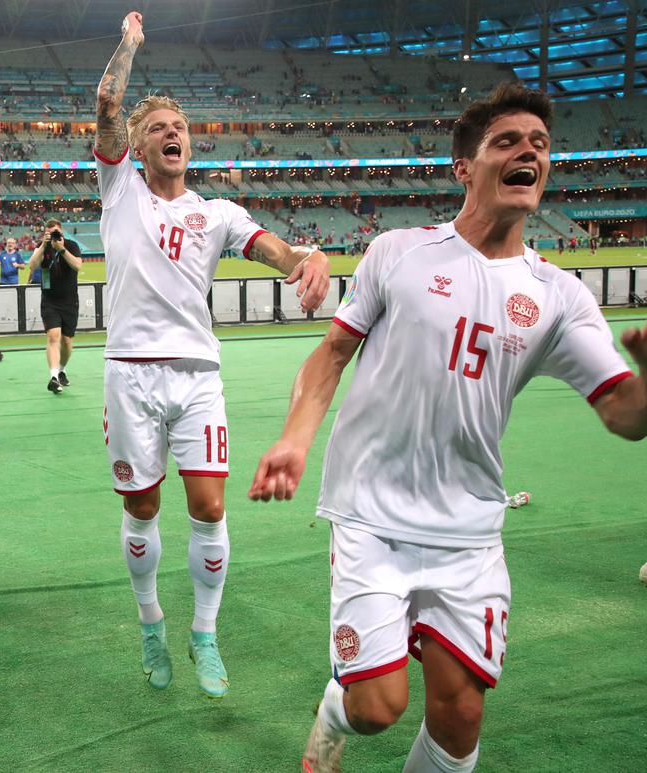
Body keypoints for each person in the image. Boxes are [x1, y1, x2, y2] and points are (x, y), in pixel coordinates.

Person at [248, 82, 647, 772]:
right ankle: (333, 714)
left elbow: (624, 413)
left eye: (541, 145)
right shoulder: (399, 251)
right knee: (376, 707)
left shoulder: (559, 295)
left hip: (469, 532)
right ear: (465, 166)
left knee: (460, 717)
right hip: (373, 514)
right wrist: (294, 437)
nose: (530, 152)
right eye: (508, 142)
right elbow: (330, 354)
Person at [95, 12, 331, 698]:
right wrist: (131, 44)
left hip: (197, 375)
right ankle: (149, 622)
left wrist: (304, 258)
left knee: (208, 506)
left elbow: (273, 249)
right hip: (129, 372)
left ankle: (202, 632)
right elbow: (108, 104)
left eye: (181, 128)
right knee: (141, 508)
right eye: (160, 128)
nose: (173, 134)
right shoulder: (120, 190)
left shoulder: (217, 212)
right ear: (138, 147)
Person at [28, 219, 82, 393]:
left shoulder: (71, 245)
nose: (54, 236)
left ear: (62, 232)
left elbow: (77, 265)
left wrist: (61, 249)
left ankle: (61, 370)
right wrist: (44, 246)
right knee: (53, 336)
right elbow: (32, 265)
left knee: (66, 341)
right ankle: (53, 376)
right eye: (50, 233)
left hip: (69, 300)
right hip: (49, 300)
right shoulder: (42, 246)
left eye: (56, 232)